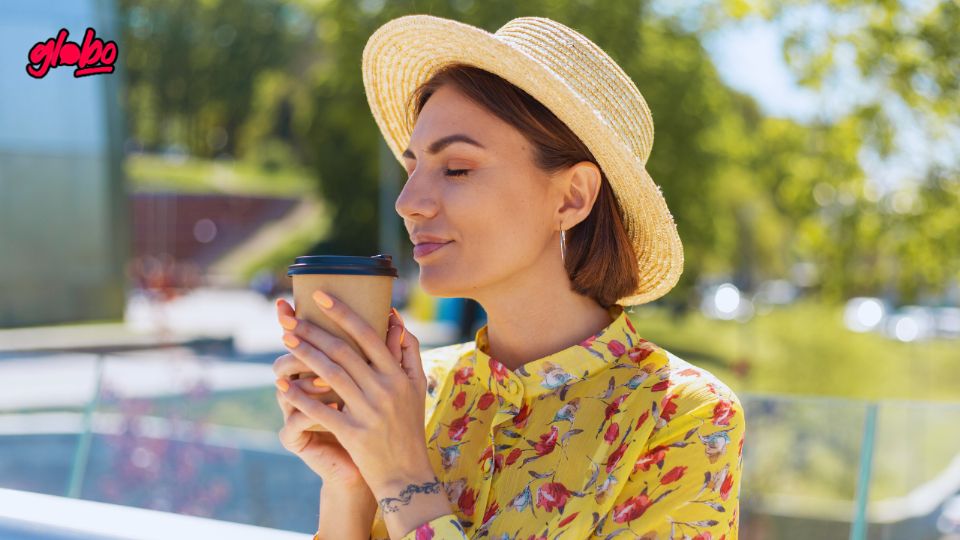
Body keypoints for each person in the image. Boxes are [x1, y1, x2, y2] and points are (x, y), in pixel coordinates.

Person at [272, 14, 745, 540]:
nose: (408, 204)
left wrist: (403, 477)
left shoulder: (682, 418)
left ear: (572, 197)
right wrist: (350, 485)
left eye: (456, 168)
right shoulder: (412, 393)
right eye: (412, 171)